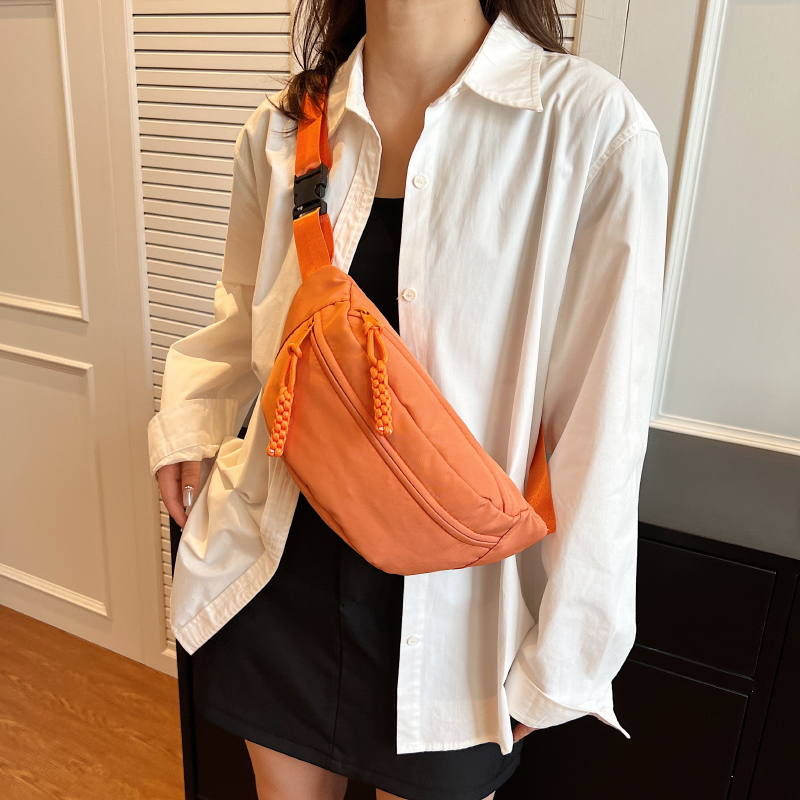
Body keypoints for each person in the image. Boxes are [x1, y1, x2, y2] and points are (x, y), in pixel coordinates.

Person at [149, 1, 669, 798]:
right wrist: (189, 422)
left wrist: (567, 658)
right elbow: (241, 318)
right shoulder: (283, 128)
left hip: (455, 621)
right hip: (277, 579)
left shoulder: (588, 131)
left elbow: (601, 427)